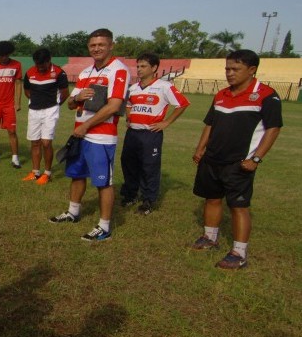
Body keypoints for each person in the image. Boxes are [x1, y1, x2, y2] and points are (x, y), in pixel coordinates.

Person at [190, 49, 282, 269]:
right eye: (227, 69)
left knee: (238, 206)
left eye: (235, 69)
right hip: (212, 159)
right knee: (211, 198)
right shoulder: (221, 94)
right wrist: (201, 148)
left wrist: (256, 159)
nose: (229, 73)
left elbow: (273, 129)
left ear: (251, 70)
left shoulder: (267, 95)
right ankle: (210, 238)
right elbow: (210, 124)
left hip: (239, 162)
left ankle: (239, 253)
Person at [50, 28, 129, 242]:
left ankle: (104, 227)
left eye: (101, 44)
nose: (97, 48)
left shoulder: (118, 71)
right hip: (80, 133)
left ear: (111, 45)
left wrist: (86, 126)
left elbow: (114, 106)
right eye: (93, 45)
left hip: (101, 136)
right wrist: (77, 98)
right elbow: (69, 104)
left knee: (103, 182)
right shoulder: (86, 73)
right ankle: (73, 212)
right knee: (77, 175)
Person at [120, 52, 189, 214]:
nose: (139, 69)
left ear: (154, 68)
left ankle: (148, 201)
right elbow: (129, 104)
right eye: (138, 66)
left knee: (149, 167)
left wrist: (167, 122)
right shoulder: (134, 88)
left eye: (143, 66)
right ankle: (130, 195)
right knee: (128, 164)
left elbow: (182, 104)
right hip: (132, 133)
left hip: (150, 134)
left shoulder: (164, 86)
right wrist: (129, 118)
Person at [22, 47, 69, 183]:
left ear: (49, 61)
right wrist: (36, 101)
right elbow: (27, 91)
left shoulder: (59, 72)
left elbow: (65, 93)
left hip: (50, 110)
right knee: (35, 142)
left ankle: (47, 174)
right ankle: (35, 172)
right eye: (38, 64)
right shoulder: (30, 72)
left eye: (43, 64)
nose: (40, 67)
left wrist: (54, 106)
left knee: (46, 142)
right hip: (34, 110)